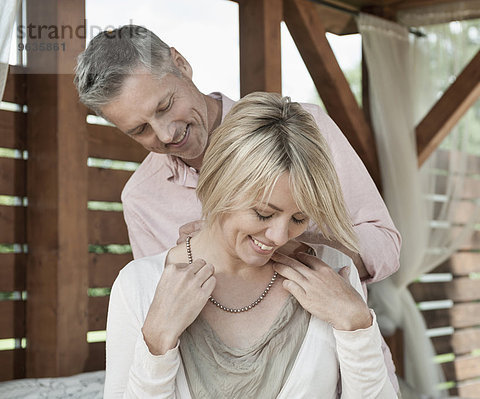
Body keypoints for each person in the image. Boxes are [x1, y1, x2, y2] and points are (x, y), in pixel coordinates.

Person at [74, 25, 400, 389]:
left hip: (350, 370)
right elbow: (167, 320)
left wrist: (291, 242)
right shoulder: (142, 200)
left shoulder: (304, 132)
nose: (165, 134)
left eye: (165, 106)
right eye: (140, 130)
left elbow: (384, 244)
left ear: (180, 64)